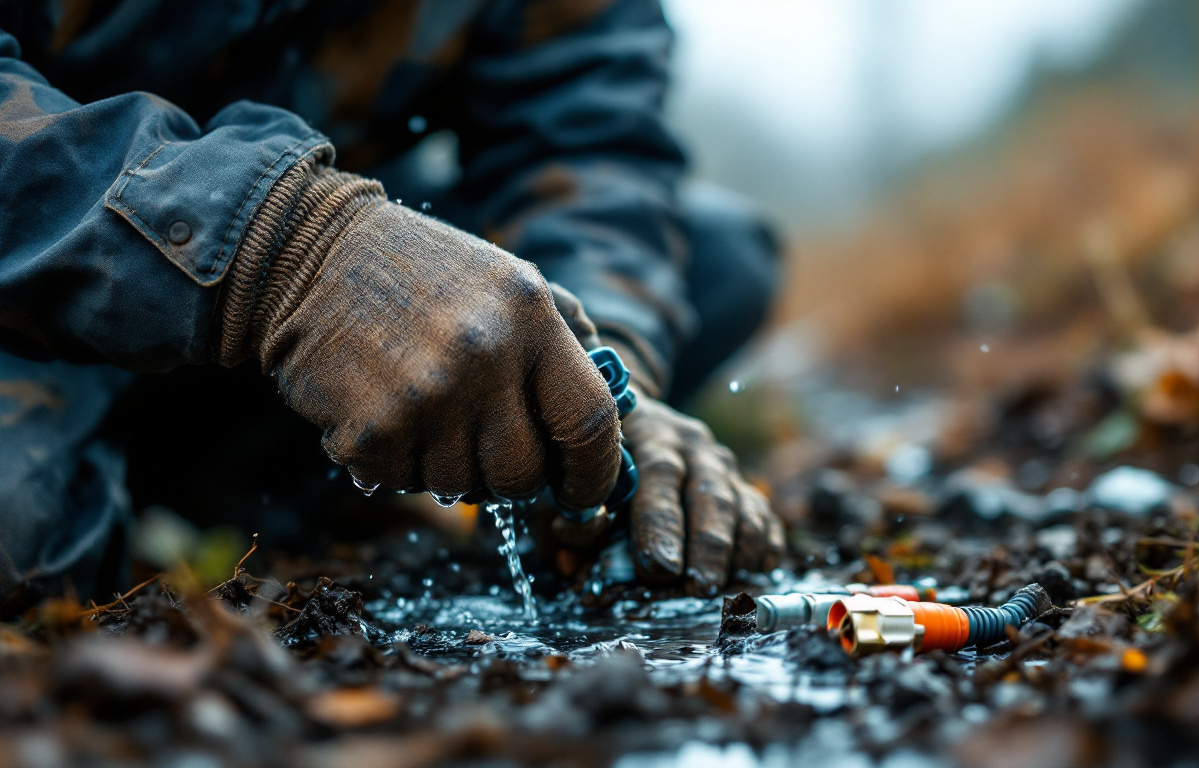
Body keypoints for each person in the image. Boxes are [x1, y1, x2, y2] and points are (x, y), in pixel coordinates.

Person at [0, 0, 784, 608]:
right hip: (35, 274)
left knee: (720, 259)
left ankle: (249, 483)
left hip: (321, 336)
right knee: (16, 544)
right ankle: (173, 478)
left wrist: (604, 374)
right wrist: (290, 251)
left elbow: (587, 142)